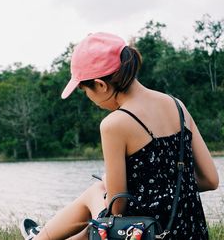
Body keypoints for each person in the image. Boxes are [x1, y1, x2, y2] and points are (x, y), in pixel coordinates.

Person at [20, 32, 219, 240]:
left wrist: (109, 183)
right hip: (191, 232)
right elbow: (210, 180)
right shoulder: (179, 106)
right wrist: (164, 190)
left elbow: (117, 207)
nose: (89, 98)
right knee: (94, 228)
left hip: (148, 234)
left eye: (84, 90)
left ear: (100, 85)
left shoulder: (114, 124)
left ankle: (39, 238)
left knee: (97, 193)